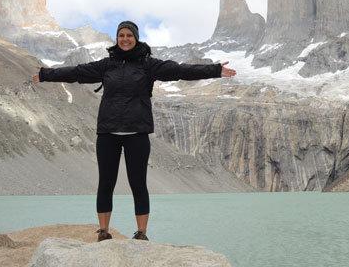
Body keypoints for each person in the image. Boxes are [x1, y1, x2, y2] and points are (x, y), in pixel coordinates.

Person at [32, 20, 236, 242]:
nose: (125, 39)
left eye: (129, 35)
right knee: (105, 183)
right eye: (121, 35)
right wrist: (45, 74)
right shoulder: (106, 65)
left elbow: (179, 70)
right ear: (117, 39)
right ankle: (103, 231)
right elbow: (76, 72)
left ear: (136, 38)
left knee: (138, 184)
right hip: (108, 133)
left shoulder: (148, 65)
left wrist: (215, 70)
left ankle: (141, 233)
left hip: (137, 134)